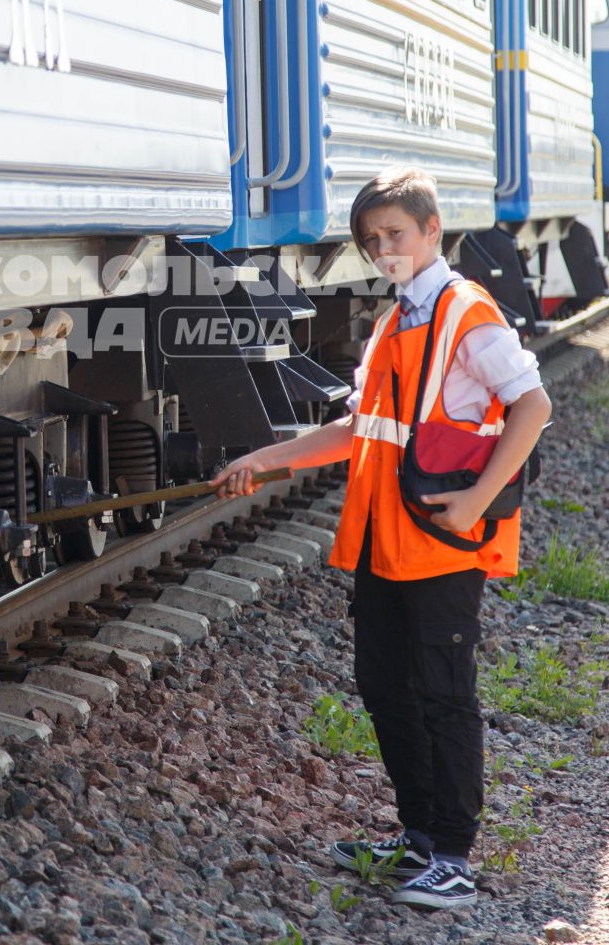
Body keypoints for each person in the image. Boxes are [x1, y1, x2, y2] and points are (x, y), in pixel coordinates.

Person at [210, 166, 551, 912]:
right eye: (371, 241)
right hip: (382, 541)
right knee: (386, 687)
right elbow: (358, 427)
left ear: (432, 231)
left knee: (443, 694)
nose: (384, 249)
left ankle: (454, 855)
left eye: (395, 234)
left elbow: (533, 404)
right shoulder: (396, 320)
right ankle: (421, 839)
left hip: (438, 538)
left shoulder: (466, 311)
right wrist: (265, 459)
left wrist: (475, 504)